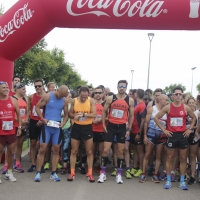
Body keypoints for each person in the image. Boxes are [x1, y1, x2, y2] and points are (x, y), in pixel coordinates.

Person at [154, 86, 196, 190]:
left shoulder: (185, 107)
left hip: (182, 135)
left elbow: (194, 117)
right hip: (171, 135)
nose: (178, 96)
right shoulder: (168, 107)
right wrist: (164, 130)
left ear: (182, 95)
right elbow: (156, 118)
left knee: (182, 159)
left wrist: (189, 129)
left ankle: (182, 181)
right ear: (172, 95)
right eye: (176, 94)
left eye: (180, 94)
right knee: (169, 158)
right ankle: (168, 180)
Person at [98, 80, 134, 184]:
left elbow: (131, 116)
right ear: (117, 87)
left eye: (123, 86)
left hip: (122, 127)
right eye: (120, 86)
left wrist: (129, 129)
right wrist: (104, 124)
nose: (121, 88)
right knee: (105, 150)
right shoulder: (111, 98)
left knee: (120, 151)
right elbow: (104, 111)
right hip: (111, 126)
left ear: (126, 88)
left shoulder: (130, 100)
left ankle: (119, 174)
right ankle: (103, 173)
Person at [34, 85, 69, 182]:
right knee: (42, 149)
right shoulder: (48, 96)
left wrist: (64, 122)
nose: (61, 97)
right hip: (47, 127)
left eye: (64, 96)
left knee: (56, 150)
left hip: (57, 127)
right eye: (61, 95)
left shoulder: (64, 100)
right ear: (57, 90)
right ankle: (38, 173)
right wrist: (42, 118)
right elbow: (37, 107)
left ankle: (53, 173)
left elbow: (66, 114)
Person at [68, 86, 96, 182]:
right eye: (82, 96)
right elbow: (70, 114)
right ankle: (72, 173)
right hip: (77, 127)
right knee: (74, 151)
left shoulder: (91, 101)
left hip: (87, 128)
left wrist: (84, 115)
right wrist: (75, 116)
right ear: (79, 93)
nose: (84, 98)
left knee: (89, 151)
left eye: (85, 96)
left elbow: (94, 114)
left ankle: (90, 173)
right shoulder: (74, 101)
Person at [139, 94, 169, 183]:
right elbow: (146, 123)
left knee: (159, 155)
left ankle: (155, 174)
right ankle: (143, 174)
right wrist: (145, 135)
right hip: (151, 135)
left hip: (161, 136)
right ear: (160, 100)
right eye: (166, 100)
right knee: (147, 154)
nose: (167, 102)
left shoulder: (167, 111)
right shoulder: (152, 109)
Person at [0, 81, 22, 183]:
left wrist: (20, 127)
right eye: (3, 87)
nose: (6, 89)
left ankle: (9, 172)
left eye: (7, 87)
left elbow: (19, 114)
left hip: (11, 131)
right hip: (0, 132)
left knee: (11, 152)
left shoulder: (13, 100)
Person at [27, 79, 46, 172]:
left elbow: (49, 111)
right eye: (36, 86)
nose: (37, 88)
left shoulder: (46, 96)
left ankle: (41, 163)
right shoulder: (31, 97)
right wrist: (26, 119)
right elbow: (28, 109)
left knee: (42, 144)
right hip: (33, 122)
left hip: (43, 122)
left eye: (39, 86)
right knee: (33, 143)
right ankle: (33, 164)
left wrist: (42, 120)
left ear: (43, 86)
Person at [130, 89, 146, 178]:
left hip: (138, 132)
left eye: (134, 93)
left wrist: (139, 133)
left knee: (140, 151)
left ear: (136, 94)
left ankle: (141, 168)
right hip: (133, 131)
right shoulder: (138, 104)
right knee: (135, 150)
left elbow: (143, 120)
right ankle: (135, 167)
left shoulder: (142, 105)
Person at [12, 83, 28, 173]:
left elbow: (27, 111)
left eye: (25, 89)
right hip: (14, 125)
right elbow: (11, 113)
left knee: (20, 144)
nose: (25, 90)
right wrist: (20, 120)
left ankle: (18, 162)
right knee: (12, 145)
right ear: (17, 89)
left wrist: (26, 120)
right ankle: (9, 164)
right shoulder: (13, 99)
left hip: (23, 125)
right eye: (23, 89)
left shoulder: (25, 99)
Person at [186, 97, 200, 185]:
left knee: (192, 156)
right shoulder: (185, 112)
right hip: (185, 136)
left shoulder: (197, 113)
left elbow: (198, 126)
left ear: (195, 103)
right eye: (189, 102)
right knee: (184, 156)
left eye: (192, 102)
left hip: (194, 136)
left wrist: (191, 128)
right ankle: (183, 174)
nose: (191, 104)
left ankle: (193, 176)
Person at [92, 86, 104, 173]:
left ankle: (101, 167)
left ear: (103, 93)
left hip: (102, 130)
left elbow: (109, 116)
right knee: (91, 150)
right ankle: (90, 168)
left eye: (99, 93)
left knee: (101, 151)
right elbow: (86, 114)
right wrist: (92, 120)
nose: (98, 94)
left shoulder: (105, 104)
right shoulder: (91, 103)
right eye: (96, 92)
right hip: (91, 129)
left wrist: (101, 119)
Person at [61, 93, 72, 174]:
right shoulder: (59, 105)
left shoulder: (71, 106)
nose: (69, 98)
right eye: (68, 97)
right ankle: (60, 164)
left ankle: (65, 165)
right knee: (58, 148)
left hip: (67, 129)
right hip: (58, 128)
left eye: (70, 97)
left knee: (66, 148)